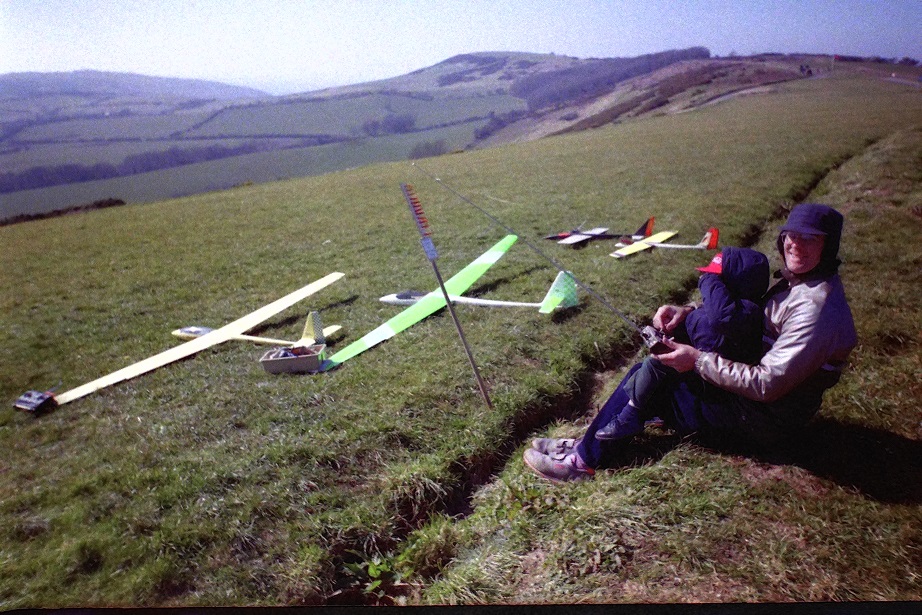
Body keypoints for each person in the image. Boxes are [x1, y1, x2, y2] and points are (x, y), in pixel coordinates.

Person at [525, 203, 857, 482]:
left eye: (811, 239)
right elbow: (755, 323)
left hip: (764, 420)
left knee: (654, 379)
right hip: (759, 406)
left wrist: (696, 360)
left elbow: (767, 384)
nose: (796, 245)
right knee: (655, 371)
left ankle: (582, 462)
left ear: (828, 246)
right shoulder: (800, 282)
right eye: (792, 235)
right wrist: (688, 312)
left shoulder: (816, 309)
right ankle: (590, 441)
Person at [595, 246, 770, 441]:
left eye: (717, 281)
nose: (707, 282)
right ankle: (632, 416)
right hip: (716, 383)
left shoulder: (738, 315)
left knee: (656, 365)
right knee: (652, 367)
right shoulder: (746, 310)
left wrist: (707, 279)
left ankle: (631, 418)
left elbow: (720, 319)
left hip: (719, 396)